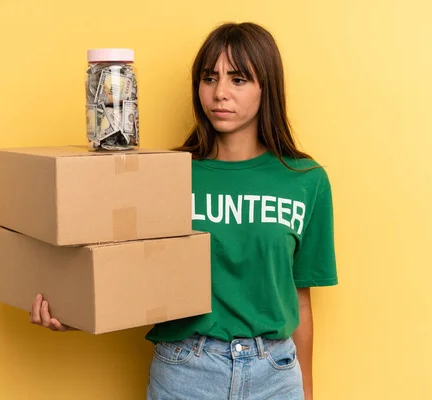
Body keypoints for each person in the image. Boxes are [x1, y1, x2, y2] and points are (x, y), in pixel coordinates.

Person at [30, 22, 338, 400]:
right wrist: (73, 313)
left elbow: (300, 299)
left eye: (238, 79)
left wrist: (306, 391)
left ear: (266, 87)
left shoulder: (306, 180)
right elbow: (126, 276)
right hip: (186, 370)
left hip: (275, 374)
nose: (220, 93)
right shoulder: (166, 174)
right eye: (209, 78)